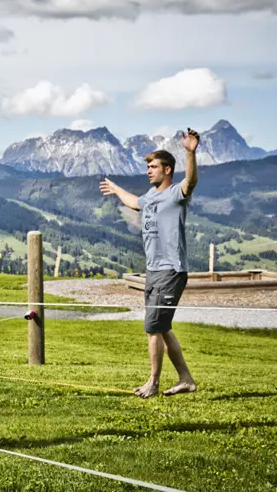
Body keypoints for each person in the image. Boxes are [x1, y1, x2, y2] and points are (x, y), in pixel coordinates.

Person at [99, 129, 200, 398]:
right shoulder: (150, 196)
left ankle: (153, 383)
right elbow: (134, 203)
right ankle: (186, 379)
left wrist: (190, 153)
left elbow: (191, 180)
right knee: (161, 328)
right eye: (147, 167)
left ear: (167, 170)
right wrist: (116, 189)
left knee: (152, 328)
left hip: (171, 270)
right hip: (153, 271)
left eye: (153, 167)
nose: (148, 171)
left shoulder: (177, 193)